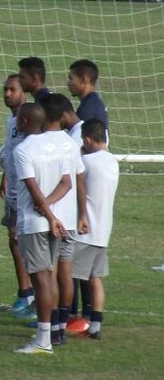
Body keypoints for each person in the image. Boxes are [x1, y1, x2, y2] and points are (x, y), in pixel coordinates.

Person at [12, 103, 72, 354]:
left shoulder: (23, 149)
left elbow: (32, 187)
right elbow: (66, 183)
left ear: (25, 121)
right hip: (52, 220)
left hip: (36, 223)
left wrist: (45, 211)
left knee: (41, 279)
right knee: (47, 276)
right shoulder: (55, 146)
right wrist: (52, 212)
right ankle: (49, 333)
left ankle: (43, 339)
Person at [38, 93, 89, 346]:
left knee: (50, 273)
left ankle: (50, 329)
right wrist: (81, 214)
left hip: (50, 218)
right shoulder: (72, 144)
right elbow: (80, 181)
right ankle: (63, 323)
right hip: (69, 218)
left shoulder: (41, 143)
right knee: (66, 274)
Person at [73, 120, 118, 340]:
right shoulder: (113, 162)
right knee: (95, 278)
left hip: (85, 229)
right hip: (103, 230)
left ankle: (62, 320)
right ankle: (95, 326)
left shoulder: (86, 162)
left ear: (87, 140)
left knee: (68, 275)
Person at [0, 74, 33, 317]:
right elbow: (11, 152)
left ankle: (31, 296)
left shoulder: (29, 121)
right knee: (13, 239)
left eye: (12, 89)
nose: (7, 94)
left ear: (24, 93)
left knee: (23, 240)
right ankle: (25, 292)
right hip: (12, 191)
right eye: (5, 89)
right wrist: (5, 175)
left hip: (26, 193)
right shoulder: (12, 121)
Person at [67, 59, 108, 133]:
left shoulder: (87, 109)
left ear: (83, 79)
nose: (68, 83)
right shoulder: (96, 102)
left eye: (71, 78)